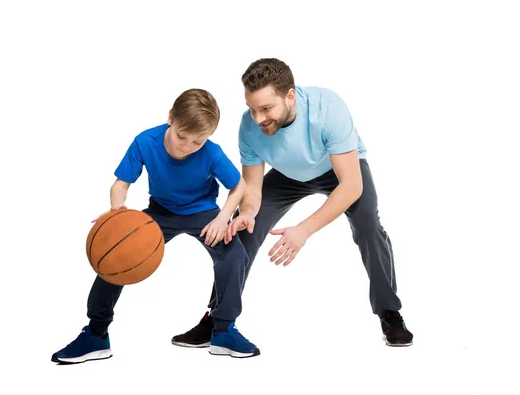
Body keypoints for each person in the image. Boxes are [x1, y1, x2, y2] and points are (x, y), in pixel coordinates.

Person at [171, 58, 413, 348]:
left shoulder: (328, 109)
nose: (258, 118)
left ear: (290, 95)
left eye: (266, 109)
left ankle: (390, 311)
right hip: (287, 176)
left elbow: (350, 186)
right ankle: (217, 319)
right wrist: (247, 212)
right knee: (243, 229)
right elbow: (253, 188)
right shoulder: (249, 126)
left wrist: (304, 229)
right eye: (252, 108)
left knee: (368, 225)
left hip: (337, 170)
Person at [51, 89, 260, 364]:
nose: (186, 146)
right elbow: (121, 185)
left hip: (204, 213)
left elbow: (238, 186)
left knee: (234, 256)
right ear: (170, 118)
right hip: (160, 212)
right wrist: (117, 214)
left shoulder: (212, 152)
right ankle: (96, 335)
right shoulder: (146, 141)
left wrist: (223, 218)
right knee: (114, 254)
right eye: (182, 136)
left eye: (197, 141)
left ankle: (223, 329)